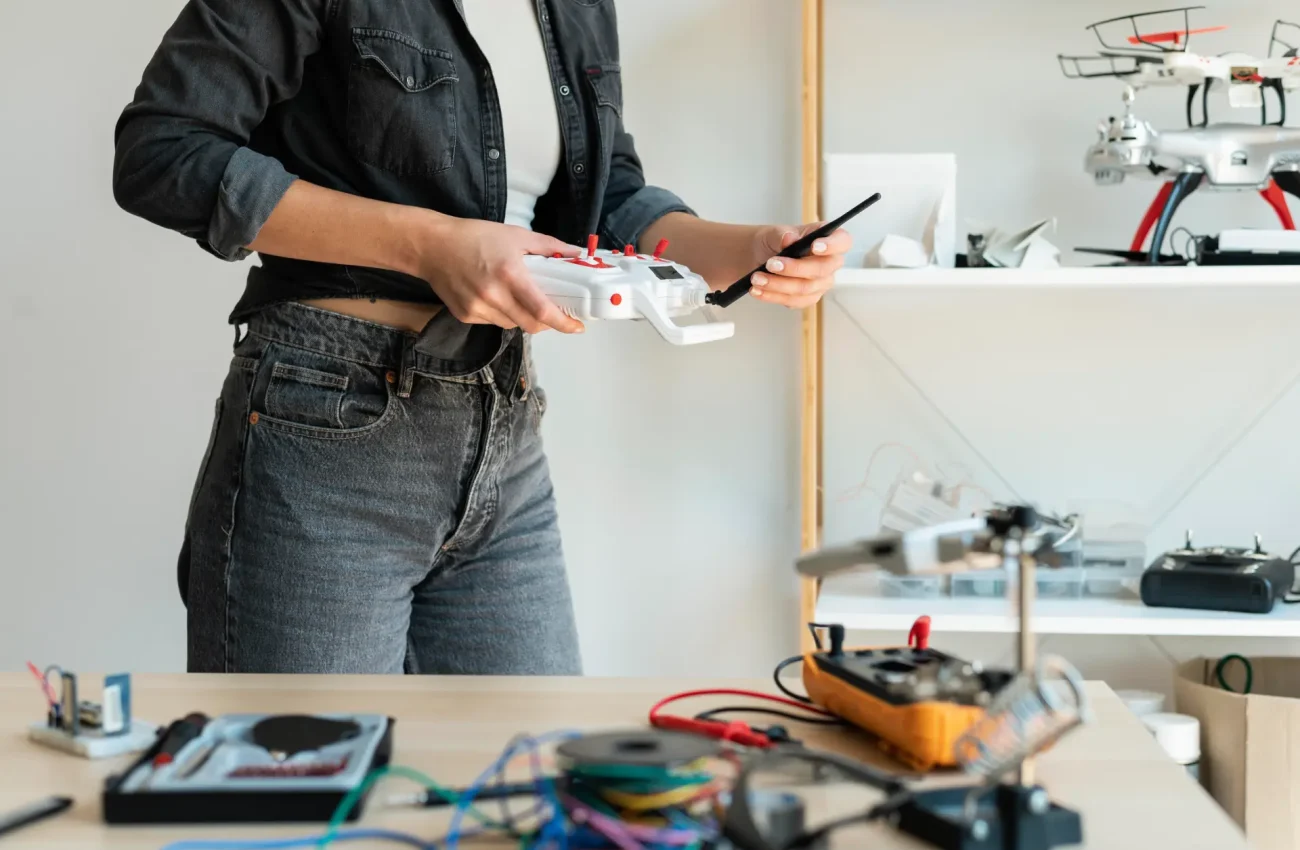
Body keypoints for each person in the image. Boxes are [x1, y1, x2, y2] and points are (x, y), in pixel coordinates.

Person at [112, 0, 851, 676]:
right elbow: (162, 151)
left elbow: (606, 198)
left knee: (528, 771)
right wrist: (433, 245)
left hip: (505, 425)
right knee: (308, 773)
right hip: (327, 420)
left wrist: (748, 248)